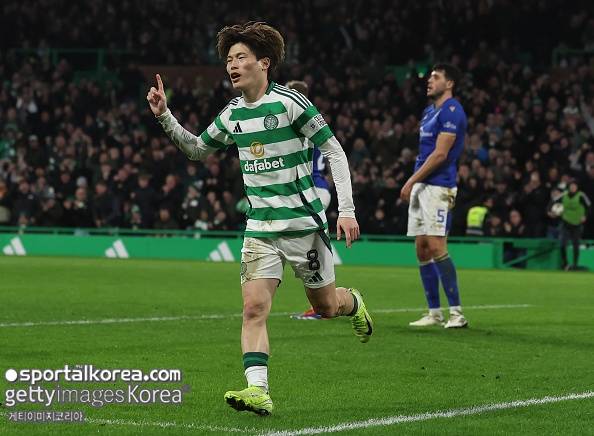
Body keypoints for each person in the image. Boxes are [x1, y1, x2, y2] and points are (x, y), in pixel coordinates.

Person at [146, 22, 373, 416]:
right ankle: (258, 390)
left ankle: (352, 302)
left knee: (325, 307)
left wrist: (347, 210)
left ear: (263, 63)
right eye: (228, 60)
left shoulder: (291, 104)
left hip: (303, 227)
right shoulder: (232, 114)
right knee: (253, 309)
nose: (232, 65)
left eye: (240, 57)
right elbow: (197, 150)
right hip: (260, 229)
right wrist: (165, 116)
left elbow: (334, 152)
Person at [400, 63, 468, 329]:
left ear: (449, 84)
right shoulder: (429, 111)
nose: (429, 81)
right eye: (430, 77)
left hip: (439, 187)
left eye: (436, 77)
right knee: (422, 249)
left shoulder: (452, 110)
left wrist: (411, 180)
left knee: (437, 246)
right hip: (422, 185)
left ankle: (457, 313)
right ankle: (434, 312)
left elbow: (440, 154)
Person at [285, 80, 332, 321]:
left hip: (313, 191)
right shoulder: (313, 121)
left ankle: (322, 304)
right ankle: (322, 302)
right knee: (306, 246)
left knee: (306, 247)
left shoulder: (299, 122)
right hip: (316, 190)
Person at [559, 181, 591, 270]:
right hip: (565, 222)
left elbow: (589, 206)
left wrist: (585, 216)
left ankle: (575, 265)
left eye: (574, 186)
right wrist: (550, 211)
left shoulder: (581, 195)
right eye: (571, 186)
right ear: (569, 187)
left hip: (577, 223)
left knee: (576, 244)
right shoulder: (564, 194)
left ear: (577, 187)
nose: (573, 187)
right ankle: (565, 263)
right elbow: (553, 201)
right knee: (562, 244)